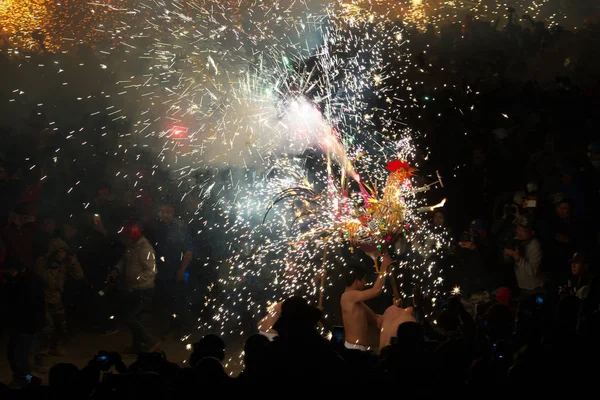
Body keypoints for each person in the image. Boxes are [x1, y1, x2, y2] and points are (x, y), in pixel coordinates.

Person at [111, 220, 158, 353]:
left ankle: (150, 340)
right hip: (135, 289)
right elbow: (125, 260)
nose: (125, 239)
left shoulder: (145, 249)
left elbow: (151, 271)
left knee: (128, 317)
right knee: (136, 319)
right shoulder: (133, 246)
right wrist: (117, 269)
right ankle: (137, 347)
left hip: (144, 290)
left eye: (127, 236)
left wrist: (135, 279)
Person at [340, 252, 392, 351]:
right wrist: (383, 267)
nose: (365, 282)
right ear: (356, 281)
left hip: (360, 349)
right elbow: (377, 291)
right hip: (354, 350)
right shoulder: (347, 297)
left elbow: (374, 318)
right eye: (363, 279)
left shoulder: (357, 301)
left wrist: (394, 312)